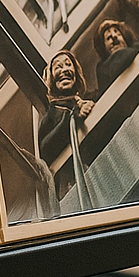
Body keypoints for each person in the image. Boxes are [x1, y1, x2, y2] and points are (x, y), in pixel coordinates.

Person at [37, 50, 94, 188]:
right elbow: (45, 150)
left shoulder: (85, 103)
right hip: (68, 184)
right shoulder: (52, 114)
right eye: (58, 67)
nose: (64, 70)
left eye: (68, 64)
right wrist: (74, 118)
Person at [93, 19, 139, 94]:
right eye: (108, 38)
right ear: (103, 47)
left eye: (118, 34)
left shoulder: (138, 47)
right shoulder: (102, 69)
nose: (114, 37)